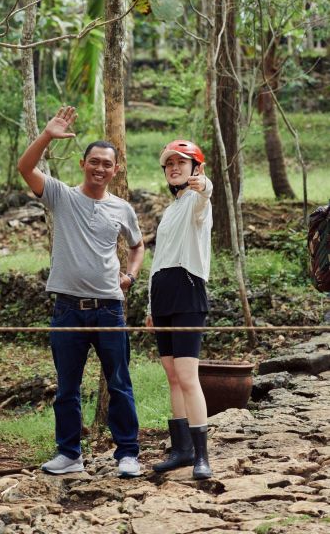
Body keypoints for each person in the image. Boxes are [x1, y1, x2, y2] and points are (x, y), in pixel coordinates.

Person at [17, 106, 145, 478]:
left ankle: (128, 454)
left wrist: (131, 276)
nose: (99, 168)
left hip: (109, 308)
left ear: (115, 170)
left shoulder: (122, 208)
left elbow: (137, 246)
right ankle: (69, 454)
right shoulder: (61, 196)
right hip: (67, 309)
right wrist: (46, 135)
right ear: (82, 163)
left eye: (107, 164)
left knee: (119, 383)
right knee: (67, 388)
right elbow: (26, 169)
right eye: (94, 162)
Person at [145, 139, 213, 480]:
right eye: (169, 163)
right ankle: (182, 449)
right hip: (162, 295)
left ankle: (202, 455)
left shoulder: (197, 202)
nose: (174, 167)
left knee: (188, 376)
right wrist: (149, 305)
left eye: (182, 163)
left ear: (195, 168)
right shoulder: (170, 210)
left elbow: (205, 195)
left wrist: (203, 185)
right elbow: (158, 261)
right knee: (172, 377)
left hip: (188, 292)